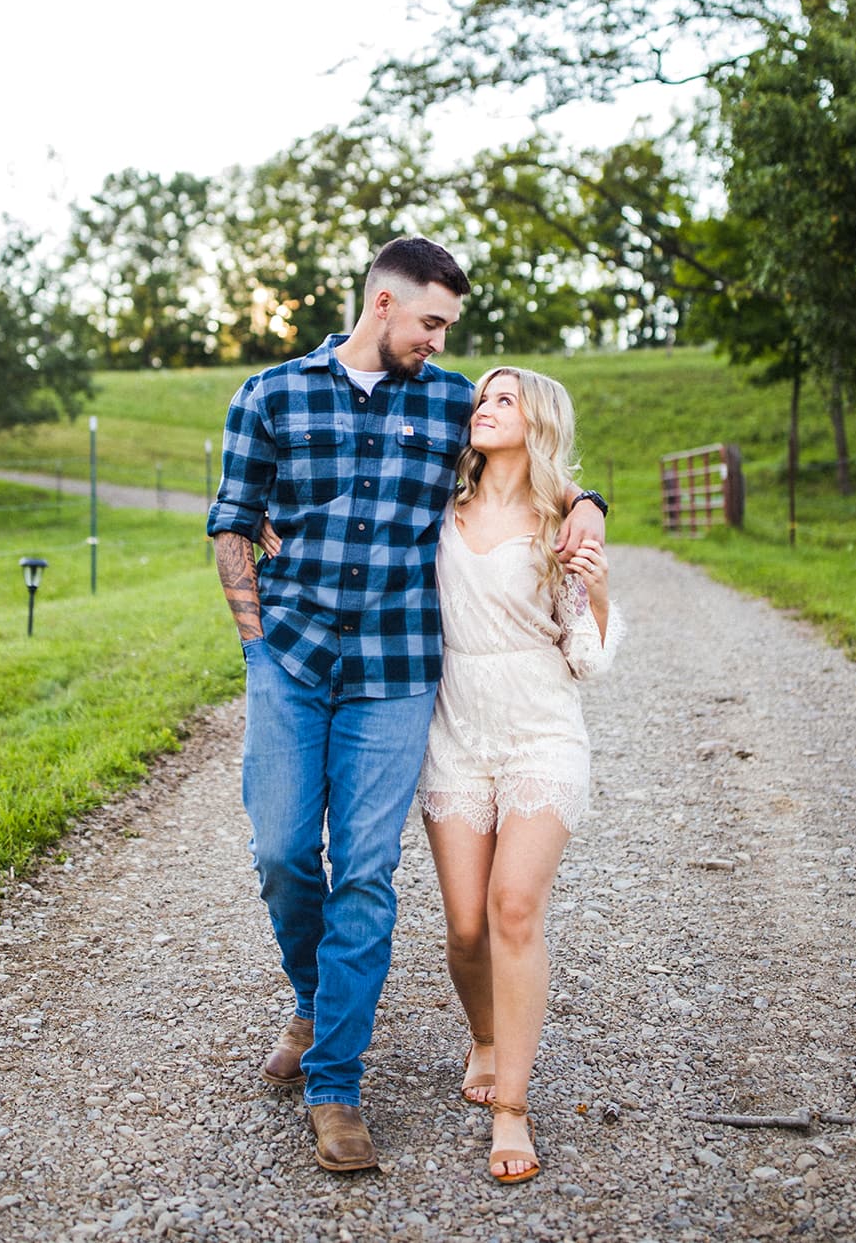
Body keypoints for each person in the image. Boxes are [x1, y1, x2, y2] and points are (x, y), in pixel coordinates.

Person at [206, 239, 608, 1174]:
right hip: (291, 662)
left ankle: (335, 1085)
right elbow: (232, 520)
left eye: (447, 329)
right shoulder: (269, 395)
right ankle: (313, 1001)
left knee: (365, 872)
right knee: (278, 851)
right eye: (430, 322)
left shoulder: (447, 401)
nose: (439, 342)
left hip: (395, 674)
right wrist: (254, 641)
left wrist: (590, 500)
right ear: (383, 304)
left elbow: (536, 462)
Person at [417, 365, 622, 1185]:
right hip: (455, 729)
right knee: (465, 924)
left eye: (503, 399)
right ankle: (485, 1035)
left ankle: (512, 1106)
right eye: (480, 398)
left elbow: (589, 660)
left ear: (535, 420)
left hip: (540, 728)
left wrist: (598, 593)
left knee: (511, 907)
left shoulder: (560, 524)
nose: (483, 408)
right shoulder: (440, 503)